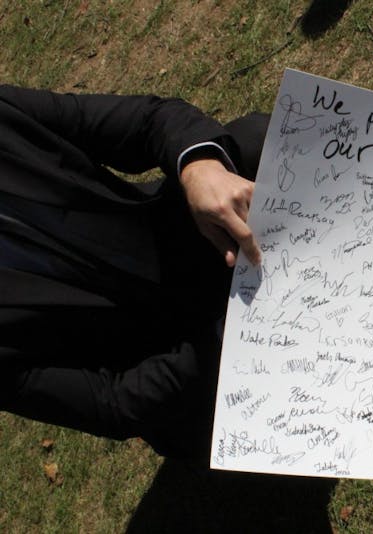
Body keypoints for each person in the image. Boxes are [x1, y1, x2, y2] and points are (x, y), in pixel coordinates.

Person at [0, 84, 269, 459]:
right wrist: (221, 341)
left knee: (260, 145)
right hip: (172, 358)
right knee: (215, 435)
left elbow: (147, 119)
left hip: (183, 241)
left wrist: (199, 168)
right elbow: (112, 405)